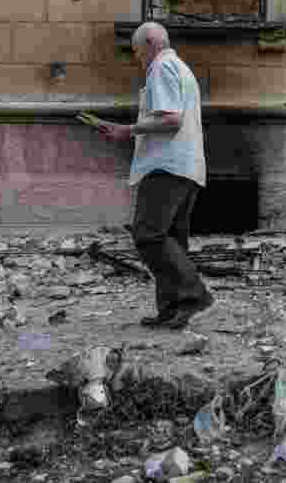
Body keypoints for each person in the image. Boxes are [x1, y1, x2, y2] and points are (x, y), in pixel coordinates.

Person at [91, 22, 212, 329]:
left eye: (137, 52)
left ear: (149, 43)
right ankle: (173, 311)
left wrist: (127, 130)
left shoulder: (162, 66)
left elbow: (171, 120)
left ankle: (193, 295)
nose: (137, 59)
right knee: (171, 240)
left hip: (166, 166)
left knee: (148, 234)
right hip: (187, 166)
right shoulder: (181, 68)